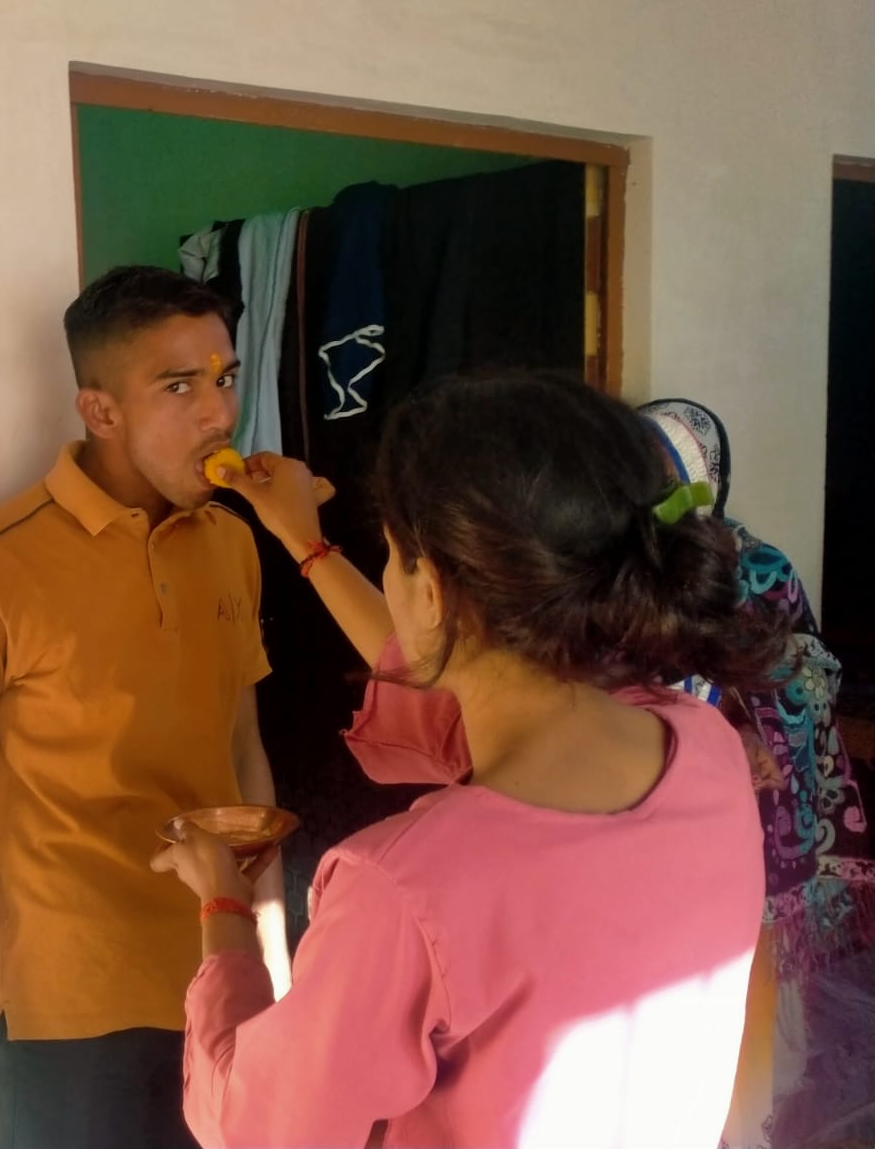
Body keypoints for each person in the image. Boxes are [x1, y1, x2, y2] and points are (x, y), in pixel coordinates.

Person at [151, 373, 790, 1148]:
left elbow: (259, 1127)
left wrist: (223, 904)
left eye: (392, 555)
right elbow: (453, 677)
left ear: (432, 592)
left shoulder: (406, 891)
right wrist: (305, 545)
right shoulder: (704, 748)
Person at [0, 266, 288, 1149]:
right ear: (100, 411)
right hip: (64, 1007)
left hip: (216, 969)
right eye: (179, 387)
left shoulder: (233, 543)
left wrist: (272, 955)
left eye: (225, 379)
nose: (218, 414)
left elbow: (244, 751)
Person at [641, 398, 874, 1149]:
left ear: (701, 478)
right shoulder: (622, 576)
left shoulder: (759, 569)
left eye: (660, 471)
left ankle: (743, 1129)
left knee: (744, 991)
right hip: (659, 809)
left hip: (750, 817)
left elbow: (807, 675)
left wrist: (743, 718)